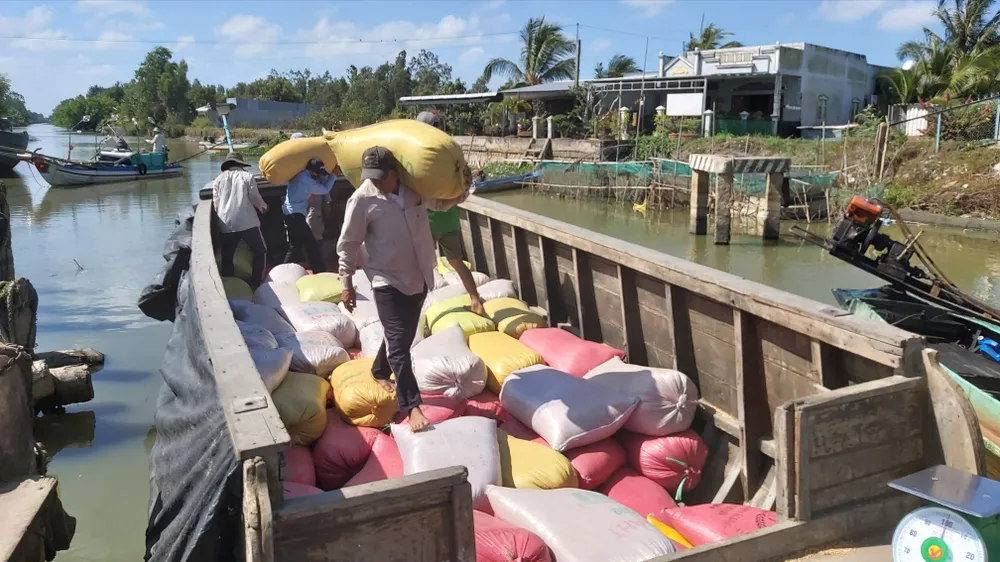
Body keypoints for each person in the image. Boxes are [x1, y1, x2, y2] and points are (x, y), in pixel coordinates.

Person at [337, 146, 436, 431]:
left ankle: (379, 369)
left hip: (419, 277)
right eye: (372, 177)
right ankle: (412, 405)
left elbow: (440, 203)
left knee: (401, 338)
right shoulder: (362, 200)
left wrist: (461, 189)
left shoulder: (414, 191)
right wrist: (346, 283)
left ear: (395, 173)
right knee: (399, 343)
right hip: (386, 280)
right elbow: (348, 244)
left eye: (382, 176)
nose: (376, 182)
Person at [415, 110, 484, 314]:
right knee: (456, 262)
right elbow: (464, 185)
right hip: (449, 219)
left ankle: (417, 309)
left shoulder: (420, 152)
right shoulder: (451, 151)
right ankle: (475, 299)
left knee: (423, 268)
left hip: (427, 220)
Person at [211, 152, 268, 286]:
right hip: (247, 222)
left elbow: (216, 203)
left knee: (227, 255)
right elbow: (255, 197)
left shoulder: (218, 179)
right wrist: (263, 207)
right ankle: (255, 282)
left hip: (226, 223)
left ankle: (230, 284)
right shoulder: (247, 176)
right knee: (261, 250)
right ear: (240, 165)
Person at [284, 158, 335, 272]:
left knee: (296, 247)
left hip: (291, 214)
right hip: (296, 215)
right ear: (313, 171)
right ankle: (319, 270)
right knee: (311, 245)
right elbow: (325, 189)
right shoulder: (306, 180)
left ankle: (283, 270)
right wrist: (333, 176)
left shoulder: (298, 175)